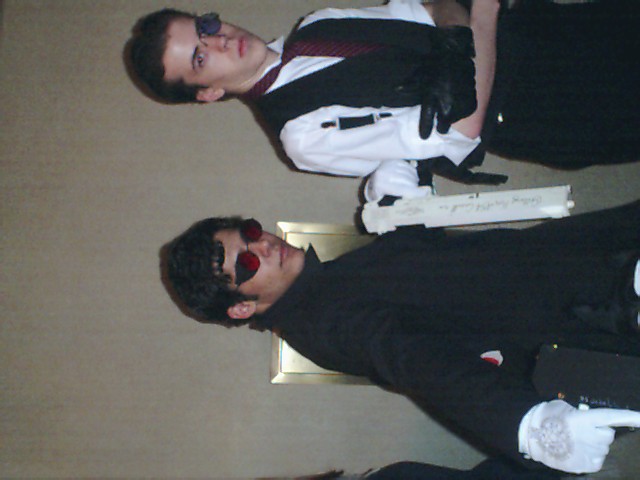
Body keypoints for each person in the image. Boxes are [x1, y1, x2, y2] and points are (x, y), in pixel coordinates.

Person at [162, 200, 640, 475]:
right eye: (247, 263)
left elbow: (439, 277)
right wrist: (528, 427)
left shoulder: (328, 284)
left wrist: (407, 204)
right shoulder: (321, 322)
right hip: (599, 309)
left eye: (250, 232)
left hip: (587, 264)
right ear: (242, 307)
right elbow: (415, 358)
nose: (264, 245)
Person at [127, 0, 640, 200]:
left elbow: (438, 8)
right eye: (201, 58)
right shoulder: (303, 136)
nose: (219, 41)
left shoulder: (316, 24)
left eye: (204, 27)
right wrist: (481, 16)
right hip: (549, 107)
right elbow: (463, 128)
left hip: (549, 30)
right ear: (209, 93)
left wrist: (461, 38)